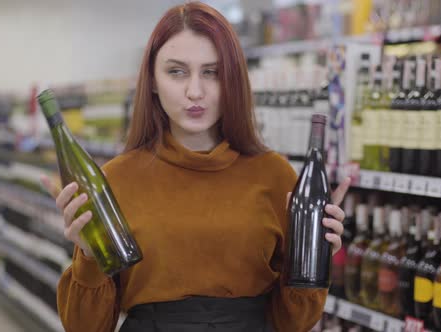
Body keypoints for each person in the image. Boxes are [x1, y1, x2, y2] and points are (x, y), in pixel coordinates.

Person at [41, 2, 350, 332]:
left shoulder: (276, 177)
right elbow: (85, 327)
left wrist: (313, 258)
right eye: (177, 71)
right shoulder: (116, 180)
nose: (195, 91)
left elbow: (294, 323)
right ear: (153, 81)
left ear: (232, 79)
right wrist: (89, 258)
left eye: (212, 72)